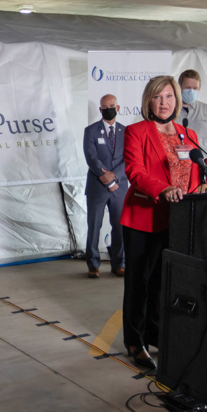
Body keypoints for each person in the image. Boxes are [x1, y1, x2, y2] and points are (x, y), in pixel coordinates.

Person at [120, 75, 206, 370]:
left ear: (177, 100)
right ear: (148, 101)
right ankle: (135, 340)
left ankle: (156, 334)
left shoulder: (187, 133)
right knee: (139, 282)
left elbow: (194, 170)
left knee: (163, 283)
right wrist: (163, 189)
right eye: (158, 97)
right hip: (143, 219)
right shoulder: (136, 131)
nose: (164, 103)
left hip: (178, 220)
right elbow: (135, 171)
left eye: (169, 96)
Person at [83, 94, 127, 278]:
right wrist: (106, 178)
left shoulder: (127, 131)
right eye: (104, 106)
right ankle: (93, 265)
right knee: (94, 226)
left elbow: (129, 158)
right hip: (97, 187)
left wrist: (114, 176)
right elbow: (91, 158)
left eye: (111, 105)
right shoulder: (91, 130)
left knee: (120, 227)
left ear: (118, 108)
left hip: (120, 187)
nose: (108, 108)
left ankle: (119, 264)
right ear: (100, 110)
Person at [175, 69, 207, 161]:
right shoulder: (168, 111)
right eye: (187, 87)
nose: (191, 91)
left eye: (195, 88)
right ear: (179, 87)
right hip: (175, 168)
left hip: (202, 168)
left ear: (199, 88)